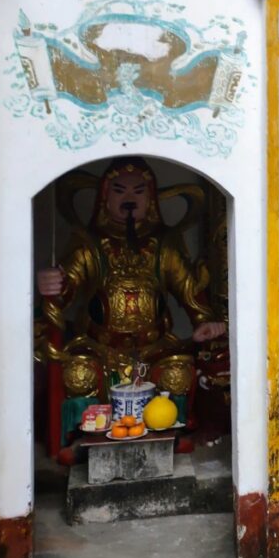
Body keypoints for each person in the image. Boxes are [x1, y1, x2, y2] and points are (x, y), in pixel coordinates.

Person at [37, 158, 227, 451]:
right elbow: (67, 286)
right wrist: (52, 285)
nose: (129, 199)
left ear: (150, 199)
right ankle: (81, 440)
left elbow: (188, 289)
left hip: (154, 346)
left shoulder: (164, 244)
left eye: (138, 191)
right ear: (104, 197)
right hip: (101, 347)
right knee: (78, 373)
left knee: (178, 373)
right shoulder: (89, 243)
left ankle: (169, 436)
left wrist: (203, 321)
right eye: (119, 191)